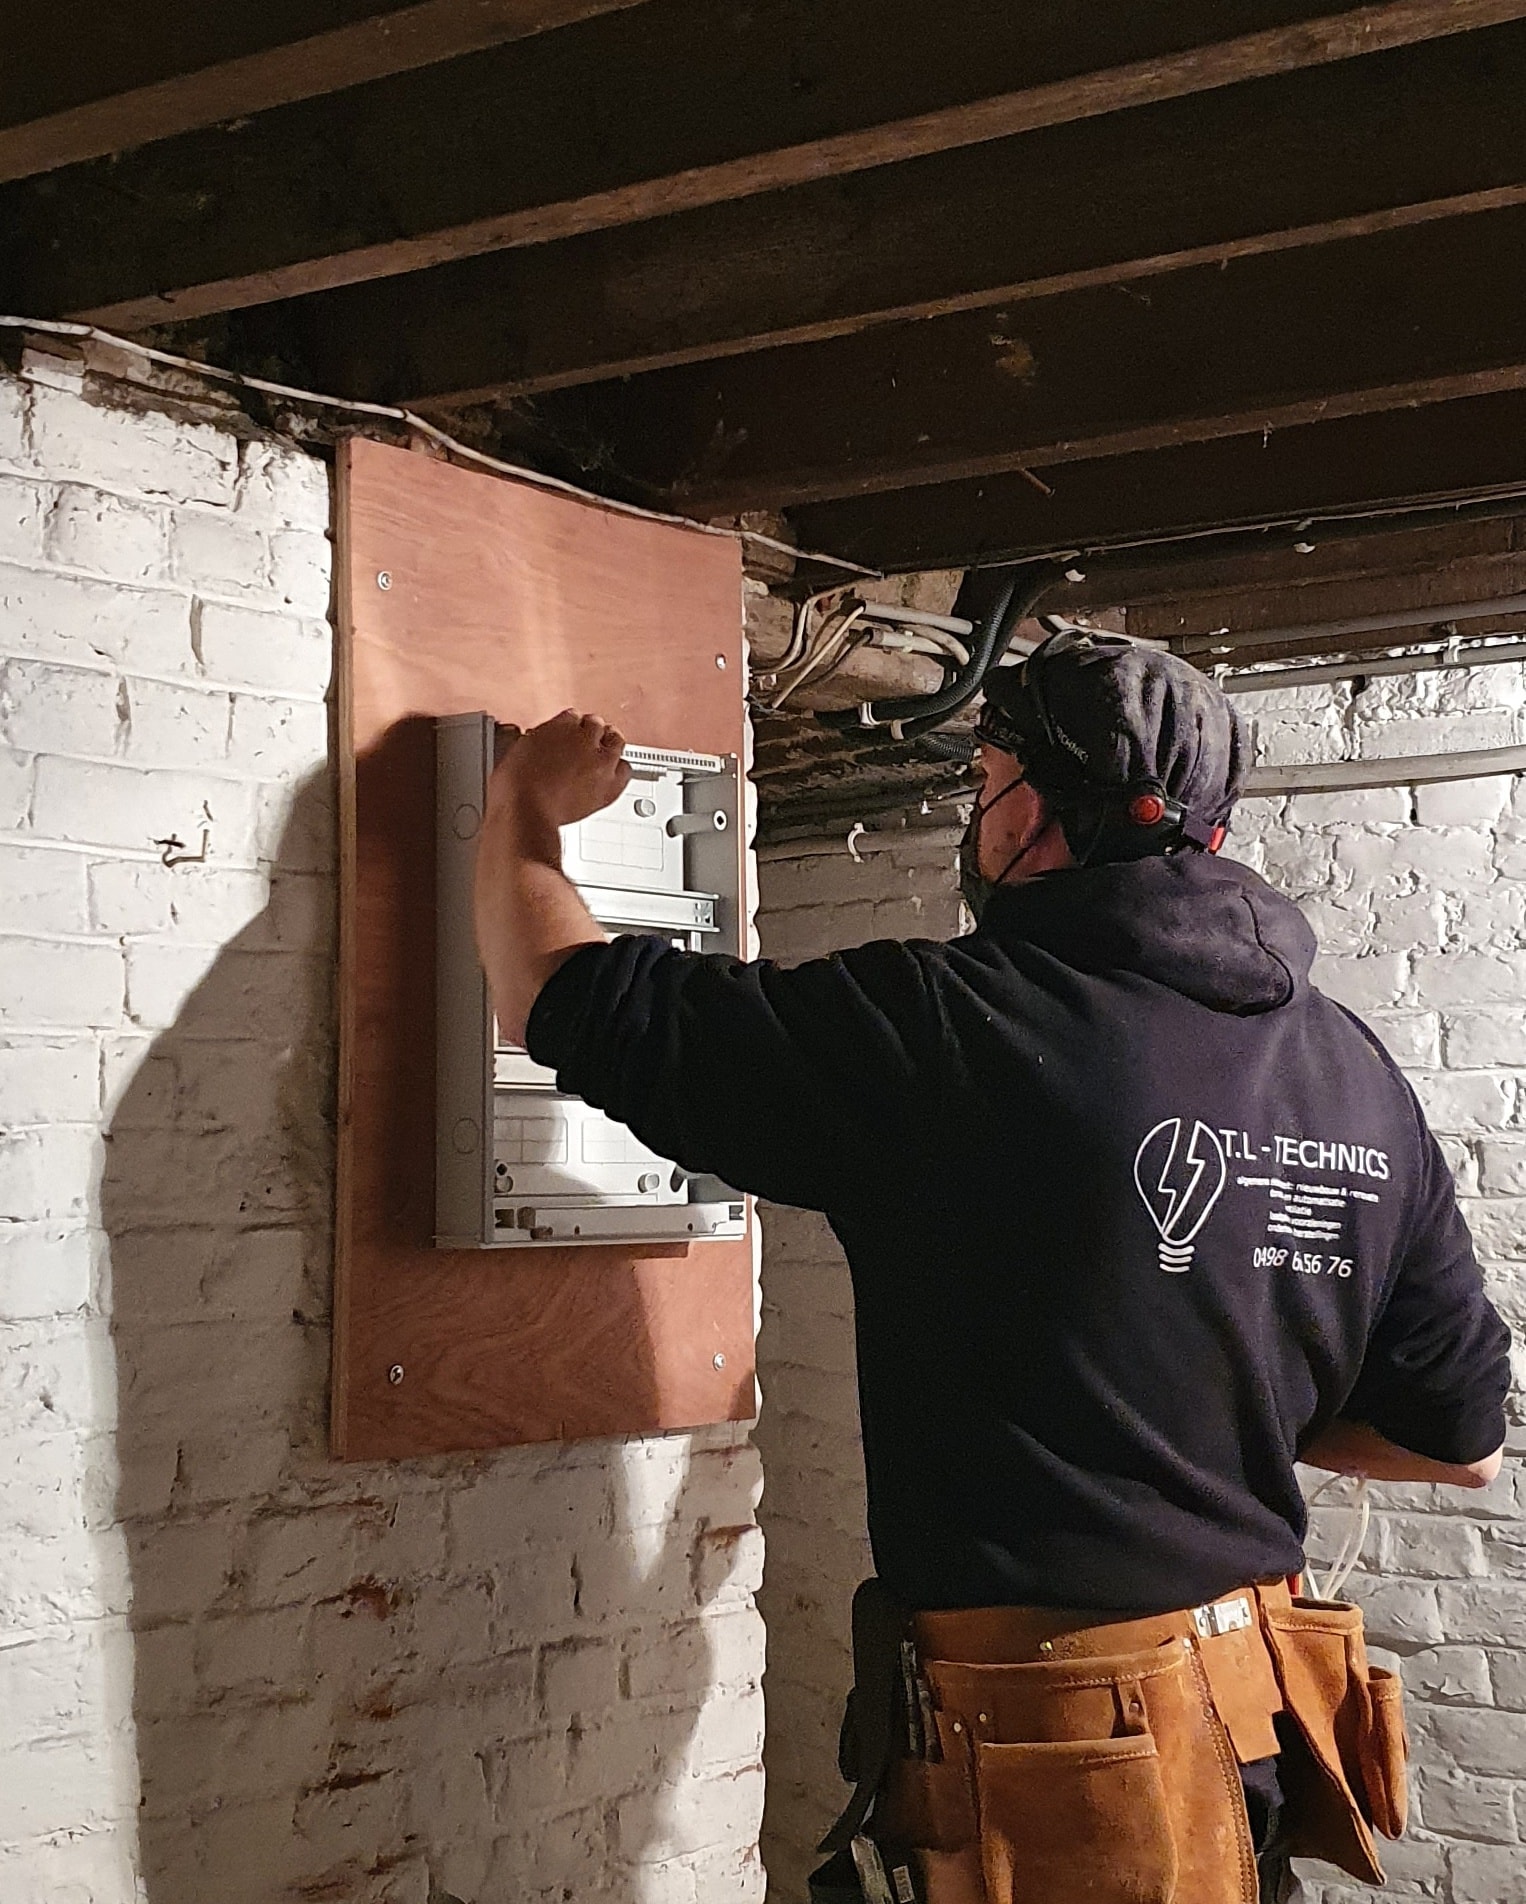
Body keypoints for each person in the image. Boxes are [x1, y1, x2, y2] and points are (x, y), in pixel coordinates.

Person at [473, 631, 1511, 1904]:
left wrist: (521, 813)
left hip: (1060, 1757)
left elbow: (565, 998)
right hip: (1247, 1717)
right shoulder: (1352, 1068)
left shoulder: (952, 1025)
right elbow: (1459, 1440)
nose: (979, 813)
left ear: (1039, 811)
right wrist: (1206, 1407)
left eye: (985, 779)